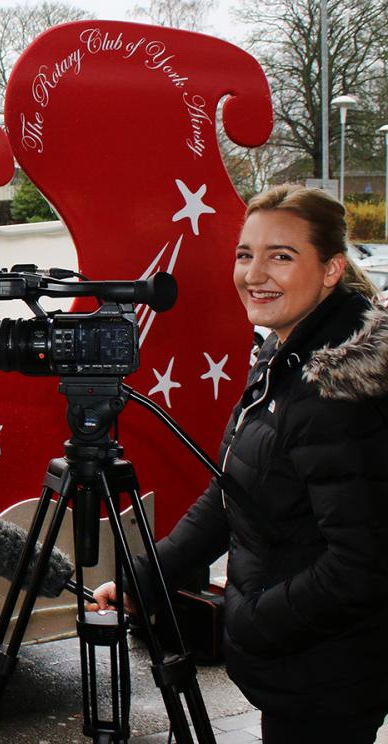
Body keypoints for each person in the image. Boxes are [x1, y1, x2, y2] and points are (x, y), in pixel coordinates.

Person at [89, 185, 388, 743]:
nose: (254, 273)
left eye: (281, 255)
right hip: (292, 672)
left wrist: (249, 620)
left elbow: (362, 566)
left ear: (331, 269)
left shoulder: (341, 390)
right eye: (245, 254)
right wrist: (145, 584)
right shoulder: (288, 355)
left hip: (327, 681)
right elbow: (230, 495)